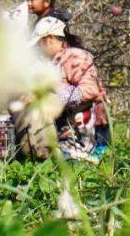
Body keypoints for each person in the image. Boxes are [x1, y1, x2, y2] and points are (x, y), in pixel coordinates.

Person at [27, 16, 108, 161]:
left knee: (69, 165)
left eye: (40, 43)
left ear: (50, 38)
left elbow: (90, 89)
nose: (39, 47)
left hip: (85, 133)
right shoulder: (53, 62)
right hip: (66, 130)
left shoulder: (75, 57)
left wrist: (57, 99)